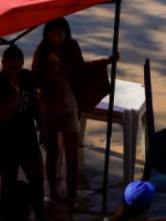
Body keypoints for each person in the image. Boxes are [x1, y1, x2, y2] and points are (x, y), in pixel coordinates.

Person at [32, 17, 116, 213]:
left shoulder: (72, 48)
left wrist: (105, 62)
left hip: (69, 106)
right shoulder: (41, 53)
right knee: (52, 154)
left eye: (59, 35)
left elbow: (81, 69)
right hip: (49, 109)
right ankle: (52, 191)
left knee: (72, 157)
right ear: (47, 36)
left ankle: (70, 199)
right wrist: (52, 67)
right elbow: (39, 82)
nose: (56, 39)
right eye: (52, 35)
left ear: (65, 34)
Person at [0, 45, 46, 221]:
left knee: (37, 181)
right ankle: (4, 214)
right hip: (5, 141)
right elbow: (1, 116)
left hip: (28, 138)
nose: (14, 71)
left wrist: (42, 129)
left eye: (18, 66)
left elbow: (36, 103)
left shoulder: (27, 77)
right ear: (3, 64)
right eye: (10, 66)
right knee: (8, 183)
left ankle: (40, 214)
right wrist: (14, 94)